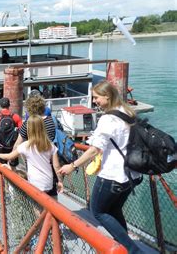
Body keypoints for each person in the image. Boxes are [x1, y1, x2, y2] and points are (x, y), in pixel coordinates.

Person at [58, 80, 143, 253]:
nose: (94, 101)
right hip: (131, 174)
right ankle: (123, 243)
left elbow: (93, 150)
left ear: (107, 96)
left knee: (97, 211)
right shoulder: (127, 111)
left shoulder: (108, 119)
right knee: (114, 209)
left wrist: (72, 165)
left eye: (96, 97)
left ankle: (132, 250)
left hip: (112, 175)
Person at [0, 115, 63, 198]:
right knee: (51, 205)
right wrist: (60, 181)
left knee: (38, 208)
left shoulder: (25, 145)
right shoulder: (50, 145)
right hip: (48, 183)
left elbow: (9, 156)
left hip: (35, 184)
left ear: (29, 129)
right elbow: (56, 166)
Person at [0, 97, 22, 166]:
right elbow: (22, 130)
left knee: (1, 166)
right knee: (13, 167)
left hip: (0, 146)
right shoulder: (15, 116)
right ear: (9, 105)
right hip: (13, 146)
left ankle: (3, 176)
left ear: (0, 105)